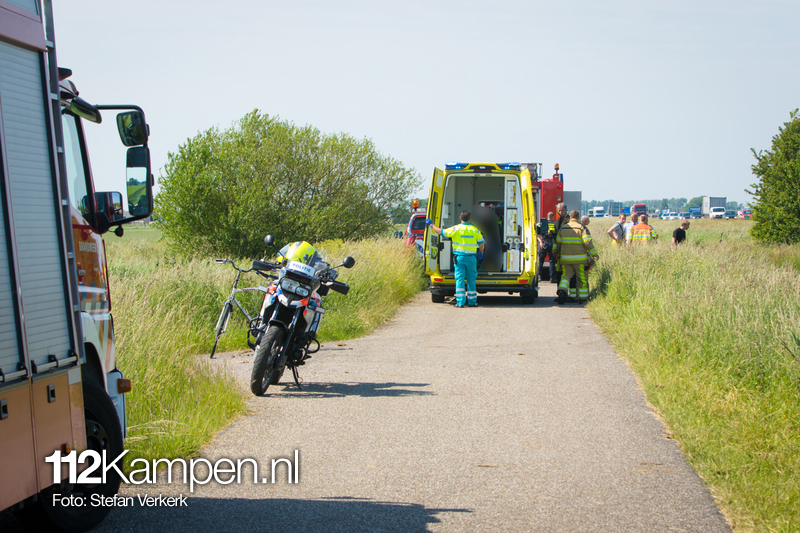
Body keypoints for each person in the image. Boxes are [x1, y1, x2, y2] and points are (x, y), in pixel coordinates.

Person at [427, 211, 485, 308]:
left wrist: (431, 225)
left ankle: (460, 302)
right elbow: (481, 244)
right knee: (471, 279)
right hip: (471, 259)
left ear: (460, 218)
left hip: (460, 258)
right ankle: (472, 302)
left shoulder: (455, 229)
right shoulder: (475, 230)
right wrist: (481, 252)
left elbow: (441, 232)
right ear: (470, 219)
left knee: (460, 279)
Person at [555, 209, 599, 305]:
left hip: (565, 259)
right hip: (580, 259)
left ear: (570, 217)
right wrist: (594, 254)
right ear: (578, 217)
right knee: (582, 278)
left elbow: (558, 242)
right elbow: (587, 242)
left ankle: (562, 292)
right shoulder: (582, 228)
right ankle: (582, 298)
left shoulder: (563, 228)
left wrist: (556, 252)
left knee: (565, 276)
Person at [537, 211, 557, 282]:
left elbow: (537, 234)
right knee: (552, 261)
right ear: (553, 217)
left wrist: (540, 242)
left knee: (540, 261)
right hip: (552, 244)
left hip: (544, 244)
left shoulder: (542, 224)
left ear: (547, 216)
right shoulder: (554, 225)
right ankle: (552, 278)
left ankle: (539, 276)